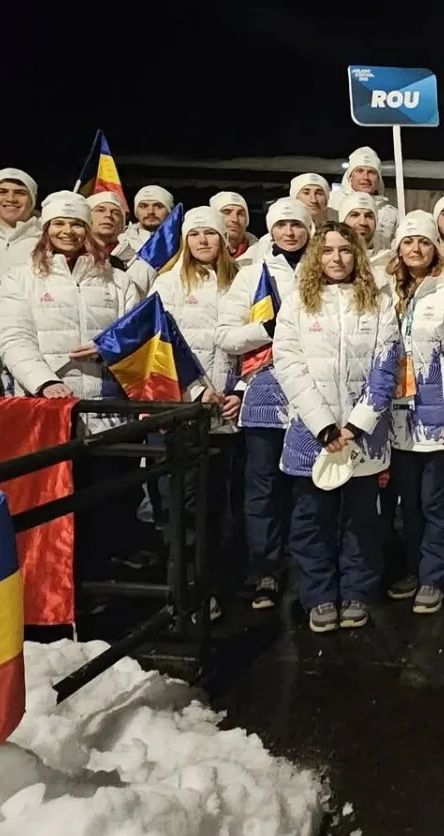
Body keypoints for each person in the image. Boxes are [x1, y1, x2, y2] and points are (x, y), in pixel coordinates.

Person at [272, 222, 401, 634]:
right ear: (316, 256)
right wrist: (325, 427)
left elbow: (386, 366)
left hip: (361, 436)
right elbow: (288, 366)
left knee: (361, 522)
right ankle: (320, 595)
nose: (337, 258)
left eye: (345, 250)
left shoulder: (378, 304)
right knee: (313, 521)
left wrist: (356, 426)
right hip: (313, 436)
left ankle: (358, 591)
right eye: (327, 251)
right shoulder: (296, 304)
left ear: (357, 255)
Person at [375, 211, 444, 615]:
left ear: (434, 248)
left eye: (423, 242)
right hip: (396, 419)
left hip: (437, 417)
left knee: (437, 501)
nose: (415, 249)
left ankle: (436, 574)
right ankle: (416, 568)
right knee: (408, 503)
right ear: (398, 249)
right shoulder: (387, 295)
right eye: (408, 242)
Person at [150, 206, 258, 566]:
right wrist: (197, 391)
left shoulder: (242, 280)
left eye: (209, 233)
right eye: (194, 234)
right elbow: (159, 346)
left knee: (221, 499)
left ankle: (220, 574)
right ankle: (188, 584)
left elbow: (256, 345)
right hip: (185, 409)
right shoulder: (167, 284)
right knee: (184, 500)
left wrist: (241, 390)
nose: (202, 240)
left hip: (229, 410)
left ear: (223, 239)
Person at [227, 197, 311, 610]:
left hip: (313, 392)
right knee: (262, 485)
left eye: (297, 225)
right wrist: (271, 327)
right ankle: (265, 568)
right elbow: (226, 336)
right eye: (282, 225)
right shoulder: (250, 276)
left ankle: (304, 566)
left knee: (307, 483)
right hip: (264, 392)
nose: (290, 233)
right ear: (271, 230)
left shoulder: (322, 268)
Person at [0, 191, 143, 401]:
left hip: (107, 402)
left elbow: (135, 333)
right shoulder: (19, 278)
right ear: (46, 229)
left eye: (76, 224)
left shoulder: (118, 279)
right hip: (46, 399)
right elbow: (13, 338)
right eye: (59, 223)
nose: (68, 231)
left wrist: (108, 348)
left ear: (87, 230)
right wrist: (44, 381)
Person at [337, 147, 400, 248]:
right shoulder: (333, 205)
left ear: (379, 179)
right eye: (360, 171)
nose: (365, 177)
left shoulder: (391, 213)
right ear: (350, 176)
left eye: (371, 172)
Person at [118, 184, 175, 259]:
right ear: (136, 211)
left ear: (169, 211)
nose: (150, 212)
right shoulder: (121, 241)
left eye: (158, 206)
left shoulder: (181, 241)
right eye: (144, 206)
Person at [208, 191, 259, 268]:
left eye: (240, 214)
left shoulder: (262, 256)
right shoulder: (200, 256)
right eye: (226, 212)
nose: (235, 219)